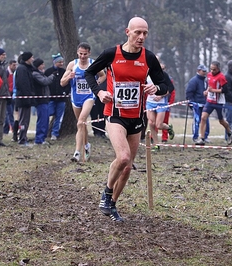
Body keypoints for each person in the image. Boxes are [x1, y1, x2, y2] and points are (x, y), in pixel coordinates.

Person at [85, 17, 168, 222]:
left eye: (145, 33)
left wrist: (156, 88)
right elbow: (89, 73)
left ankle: (111, 204)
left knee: (128, 166)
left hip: (137, 117)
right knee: (122, 158)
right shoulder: (111, 54)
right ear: (127, 32)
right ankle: (106, 194)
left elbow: (164, 84)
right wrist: (99, 93)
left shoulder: (148, 58)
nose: (141, 37)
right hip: (114, 114)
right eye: (138, 32)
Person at [61, 42, 106, 162]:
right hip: (76, 98)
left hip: (89, 97)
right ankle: (86, 145)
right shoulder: (72, 64)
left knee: (81, 122)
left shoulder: (93, 64)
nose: (82, 56)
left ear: (89, 53)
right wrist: (68, 77)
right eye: (80, 54)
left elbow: (103, 75)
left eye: (85, 54)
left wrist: (97, 83)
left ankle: (76, 153)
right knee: (82, 124)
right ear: (77, 53)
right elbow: (62, 82)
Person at [195, 61, 232, 146]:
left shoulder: (221, 77)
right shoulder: (208, 75)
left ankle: (229, 131)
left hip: (218, 102)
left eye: (214, 69)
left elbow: (225, 90)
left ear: (218, 69)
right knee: (203, 117)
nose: (212, 71)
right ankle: (202, 138)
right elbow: (210, 86)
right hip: (209, 101)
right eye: (211, 69)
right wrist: (207, 91)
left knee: (221, 120)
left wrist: (214, 91)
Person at [145, 57, 175, 151]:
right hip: (150, 102)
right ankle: (156, 144)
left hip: (161, 103)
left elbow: (171, 88)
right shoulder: (146, 74)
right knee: (151, 123)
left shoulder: (163, 75)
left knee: (159, 125)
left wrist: (161, 95)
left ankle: (168, 127)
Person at [44, 54, 70, 140]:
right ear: (55, 62)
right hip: (50, 99)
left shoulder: (64, 71)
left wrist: (65, 92)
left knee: (59, 117)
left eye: (62, 62)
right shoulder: (48, 72)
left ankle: (55, 133)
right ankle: (45, 132)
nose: (61, 63)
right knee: (48, 114)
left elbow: (68, 83)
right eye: (59, 62)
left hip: (61, 99)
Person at [15, 51, 35, 146]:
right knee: (23, 120)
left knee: (26, 120)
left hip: (27, 98)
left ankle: (24, 137)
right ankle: (22, 139)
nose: (33, 59)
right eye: (32, 57)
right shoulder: (22, 69)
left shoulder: (27, 69)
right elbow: (22, 84)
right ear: (27, 58)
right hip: (23, 99)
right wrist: (27, 97)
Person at [185, 64, 210, 142]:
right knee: (197, 120)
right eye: (203, 71)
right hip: (196, 104)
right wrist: (191, 102)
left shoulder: (206, 81)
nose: (205, 73)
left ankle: (204, 136)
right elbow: (189, 92)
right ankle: (195, 137)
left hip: (204, 104)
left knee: (206, 120)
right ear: (198, 71)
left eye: (205, 71)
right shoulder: (193, 81)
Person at [32, 58, 54, 145]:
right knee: (42, 120)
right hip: (40, 100)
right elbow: (45, 81)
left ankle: (42, 138)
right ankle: (39, 139)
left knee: (45, 120)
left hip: (45, 100)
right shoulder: (35, 74)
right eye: (42, 64)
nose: (43, 66)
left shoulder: (40, 74)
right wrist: (52, 76)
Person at [161, 62, 175, 143]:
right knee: (154, 122)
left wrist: (171, 103)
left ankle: (164, 137)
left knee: (164, 121)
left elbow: (172, 92)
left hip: (165, 103)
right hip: (153, 103)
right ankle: (152, 137)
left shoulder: (169, 78)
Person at [4, 59, 17, 135]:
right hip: (7, 95)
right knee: (9, 112)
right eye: (13, 65)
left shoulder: (15, 73)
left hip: (13, 95)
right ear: (9, 65)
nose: (15, 67)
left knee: (10, 112)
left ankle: (8, 128)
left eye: (16, 65)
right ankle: (10, 128)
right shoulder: (6, 73)